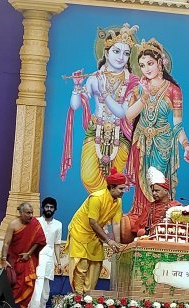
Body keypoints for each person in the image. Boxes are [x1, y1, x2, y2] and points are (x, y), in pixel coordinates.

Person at [62, 23, 140, 194]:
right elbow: (75, 105)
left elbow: (121, 112)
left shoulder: (133, 82)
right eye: (116, 51)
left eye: (126, 53)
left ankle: (109, 207)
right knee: (88, 177)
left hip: (120, 135)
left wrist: (104, 92)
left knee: (116, 181)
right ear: (106, 53)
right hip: (95, 130)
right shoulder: (94, 78)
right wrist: (76, 86)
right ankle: (99, 205)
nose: (121, 57)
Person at [124, 38, 189, 216]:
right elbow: (129, 115)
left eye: (150, 63)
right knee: (142, 185)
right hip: (141, 142)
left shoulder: (174, 90)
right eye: (142, 65)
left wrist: (186, 146)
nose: (146, 69)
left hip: (162, 144)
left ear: (160, 63)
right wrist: (144, 97)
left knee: (157, 184)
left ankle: (157, 218)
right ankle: (140, 218)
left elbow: (177, 125)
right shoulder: (139, 88)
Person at [66, 167, 126, 294]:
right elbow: (92, 222)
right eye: (121, 188)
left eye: (124, 188)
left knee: (96, 265)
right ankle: (78, 297)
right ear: (111, 187)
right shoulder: (96, 198)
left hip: (95, 235)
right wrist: (109, 241)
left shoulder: (118, 202)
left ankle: (87, 297)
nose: (123, 191)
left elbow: (116, 223)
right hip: (80, 232)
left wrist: (118, 245)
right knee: (81, 266)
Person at [0, 203, 47, 308]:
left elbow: (40, 241)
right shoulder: (13, 224)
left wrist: (29, 253)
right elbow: (6, 243)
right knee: (12, 288)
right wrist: (4, 260)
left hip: (27, 261)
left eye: (32, 213)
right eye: (28, 213)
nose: (31, 215)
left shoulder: (35, 223)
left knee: (28, 286)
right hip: (14, 261)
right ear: (21, 213)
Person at [122, 166, 181, 243]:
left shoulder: (175, 206)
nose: (154, 193)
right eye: (152, 191)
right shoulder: (149, 207)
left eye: (157, 191)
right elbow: (139, 228)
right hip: (150, 239)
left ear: (166, 191)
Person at [29, 197, 62, 308]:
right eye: (47, 206)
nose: (49, 209)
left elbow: (57, 244)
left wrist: (59, 263)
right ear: (43, 208)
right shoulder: (35, 222)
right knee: (37, 286)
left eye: (51, 207)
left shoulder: (58, 224)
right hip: (37, 257)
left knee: (45, 291)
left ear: (55, 209)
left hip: (49, 259)